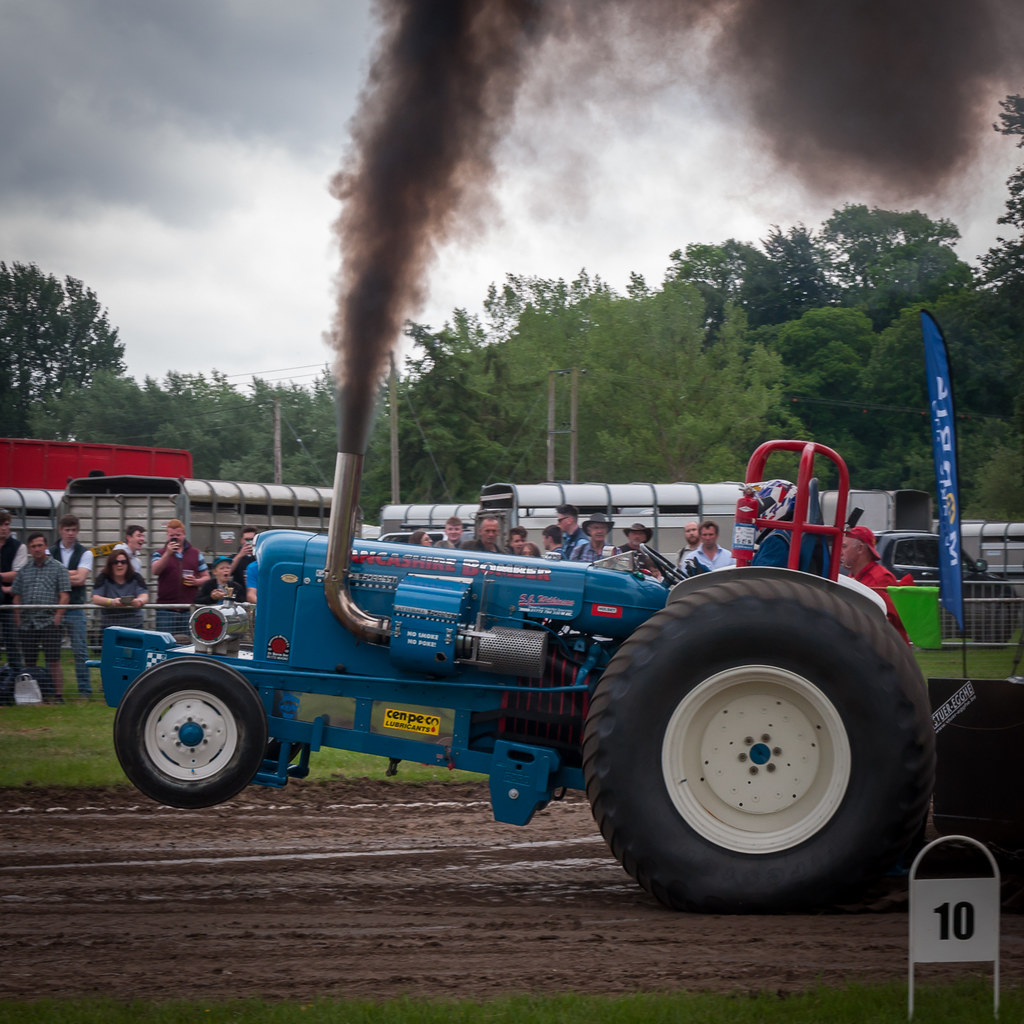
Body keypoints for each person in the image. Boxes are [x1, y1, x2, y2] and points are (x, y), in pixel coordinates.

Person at [11, 532, 69, 702]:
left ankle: (58, 696)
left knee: (53, 661)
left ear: (45, 546)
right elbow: (16, 596)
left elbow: (64, 595)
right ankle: (32, 696)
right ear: (30, 549)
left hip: (48, 622)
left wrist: (58, 617)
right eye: (34, 546)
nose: (37, 549)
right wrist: (18, 619)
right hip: (28, 623)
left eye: (40, 545)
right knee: (29, 663)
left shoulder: (58, 568)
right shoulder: (24, 571)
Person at [841, 525, 910, 643]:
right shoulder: (853, 577)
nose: (840, 552)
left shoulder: (880, 579)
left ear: (860, 549)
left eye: (844, 546)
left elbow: (888, 621)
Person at [51, 514, 94, 699]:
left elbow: (81, 579)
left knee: (80, 650)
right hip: (54, 607)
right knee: (51, 650)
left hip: (76, 606)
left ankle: (84, 690)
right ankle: (51, 690)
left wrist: (59, 575)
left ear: (77, 531)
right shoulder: (49, 551)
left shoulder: (85, 552)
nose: (70, 533)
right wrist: (72, 574)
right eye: (67, 530)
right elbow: (47, 577)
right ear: (61, 530)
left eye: (73, 530)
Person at [151, 519, 209, 635]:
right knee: (165, 644)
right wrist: (167, 554)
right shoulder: (159, 553)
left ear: (184, 534)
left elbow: (207, 577)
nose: (175, 537)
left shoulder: (196, 553)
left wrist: (196, 582)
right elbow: (155, 571)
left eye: (178, 535)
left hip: (189, 608)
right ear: (167, 535)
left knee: (188, 646)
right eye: (172, 535)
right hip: (165, 609)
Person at [92, 550, 149, 629]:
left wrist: (139, 601)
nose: (119, 565)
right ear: (110, 564)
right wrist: (111, 602)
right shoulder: (103, 577)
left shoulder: (136, 577)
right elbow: (96, 598)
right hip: (110, 627)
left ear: (127, 564)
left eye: (123, 562)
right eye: (116, 562)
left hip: (134, 625)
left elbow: (144, 596)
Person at [0, 511, 27, 672]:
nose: (4, 528)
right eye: (1, 524)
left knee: (13, 644)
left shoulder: (19, 547)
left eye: (7, 524)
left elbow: (18, 575)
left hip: (10, 604)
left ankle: (17, 682)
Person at [230, 526, 257, 596]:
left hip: (256, 595)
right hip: (239, 595)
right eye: (246, 540)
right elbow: (227, 571)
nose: (249, 542)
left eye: (252, 539)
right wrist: (240, 555)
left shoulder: (261, 557)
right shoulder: (235, 557)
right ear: (241, 540)